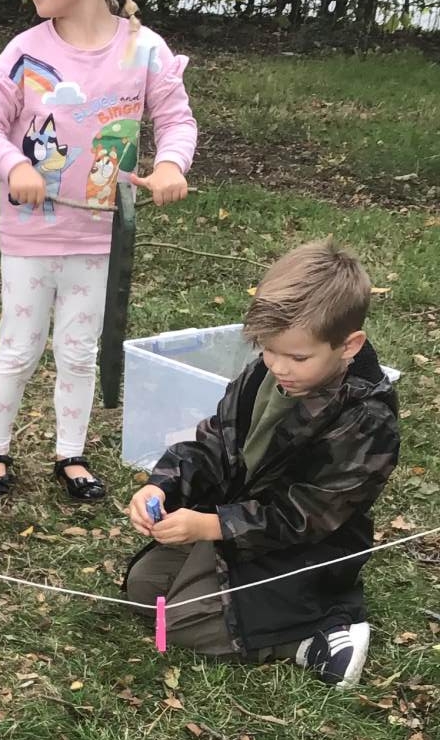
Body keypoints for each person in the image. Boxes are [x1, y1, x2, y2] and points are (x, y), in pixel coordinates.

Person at [0, 0, 196, 504]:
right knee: (18, 348)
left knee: (78, 351)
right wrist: (15, 165)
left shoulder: (143, 50)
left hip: (99, 236)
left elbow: (176, 120)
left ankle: (70, 452)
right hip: (30, 234)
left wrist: (170, 165)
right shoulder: (26, 52)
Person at [124, 241, 398, 690]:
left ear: (349, 345)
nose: (279, 367)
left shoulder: (366, 419)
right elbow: (214, 443)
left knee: (177, 621)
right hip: (237, 525)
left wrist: (212, 526)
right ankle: (232, 596)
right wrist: (163, 486)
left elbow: (307, 516)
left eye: (298, 357)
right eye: (269, 350)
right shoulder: (261, 375)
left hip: (305, 551)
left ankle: (320, 631)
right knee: (143, 589)